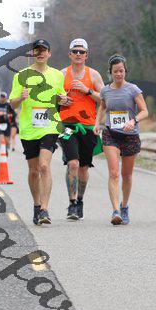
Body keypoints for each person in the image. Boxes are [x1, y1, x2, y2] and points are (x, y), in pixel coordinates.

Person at [9, 39, 69, 225]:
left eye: (44, 50)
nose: (40, 53)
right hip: (29, 128)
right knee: (34, 170)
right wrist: (21, 97)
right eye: (37, 50)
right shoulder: (21, 75)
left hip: (50, 125)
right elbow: (12, 104)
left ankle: (44, 209)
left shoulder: (57, 75)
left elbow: (61, 97)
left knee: (44, 166)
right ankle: (36, 205)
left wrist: (63, 99)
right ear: (32, 53)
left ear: (49, 53)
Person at [94, 54, 148, 225]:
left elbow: (145, 111)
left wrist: (133, 121)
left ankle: (124, 206)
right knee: (114, 173)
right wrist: (97, 123)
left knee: (127, 175)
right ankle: (115, 210)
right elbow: (102, 106)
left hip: (130, 136)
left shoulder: (133, 89)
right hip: (111, 134)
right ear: (110, 72)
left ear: (125, 71)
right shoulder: (105, 90)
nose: (119, 74)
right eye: (115, 71)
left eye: (121, 71)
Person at [59, 38, 105, 220]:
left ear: (86, 55)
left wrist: (87, 90)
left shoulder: (94, 75)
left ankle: (80, 200)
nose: (78, 54)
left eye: (81, 52)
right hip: (67, 125)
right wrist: (60, 99)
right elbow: (51, 97)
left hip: (88, 126)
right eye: (75, 51)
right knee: (73, 163)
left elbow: (105, 99)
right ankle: (71, 204)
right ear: (69, 54)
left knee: (84, 167)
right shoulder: (62, 74)